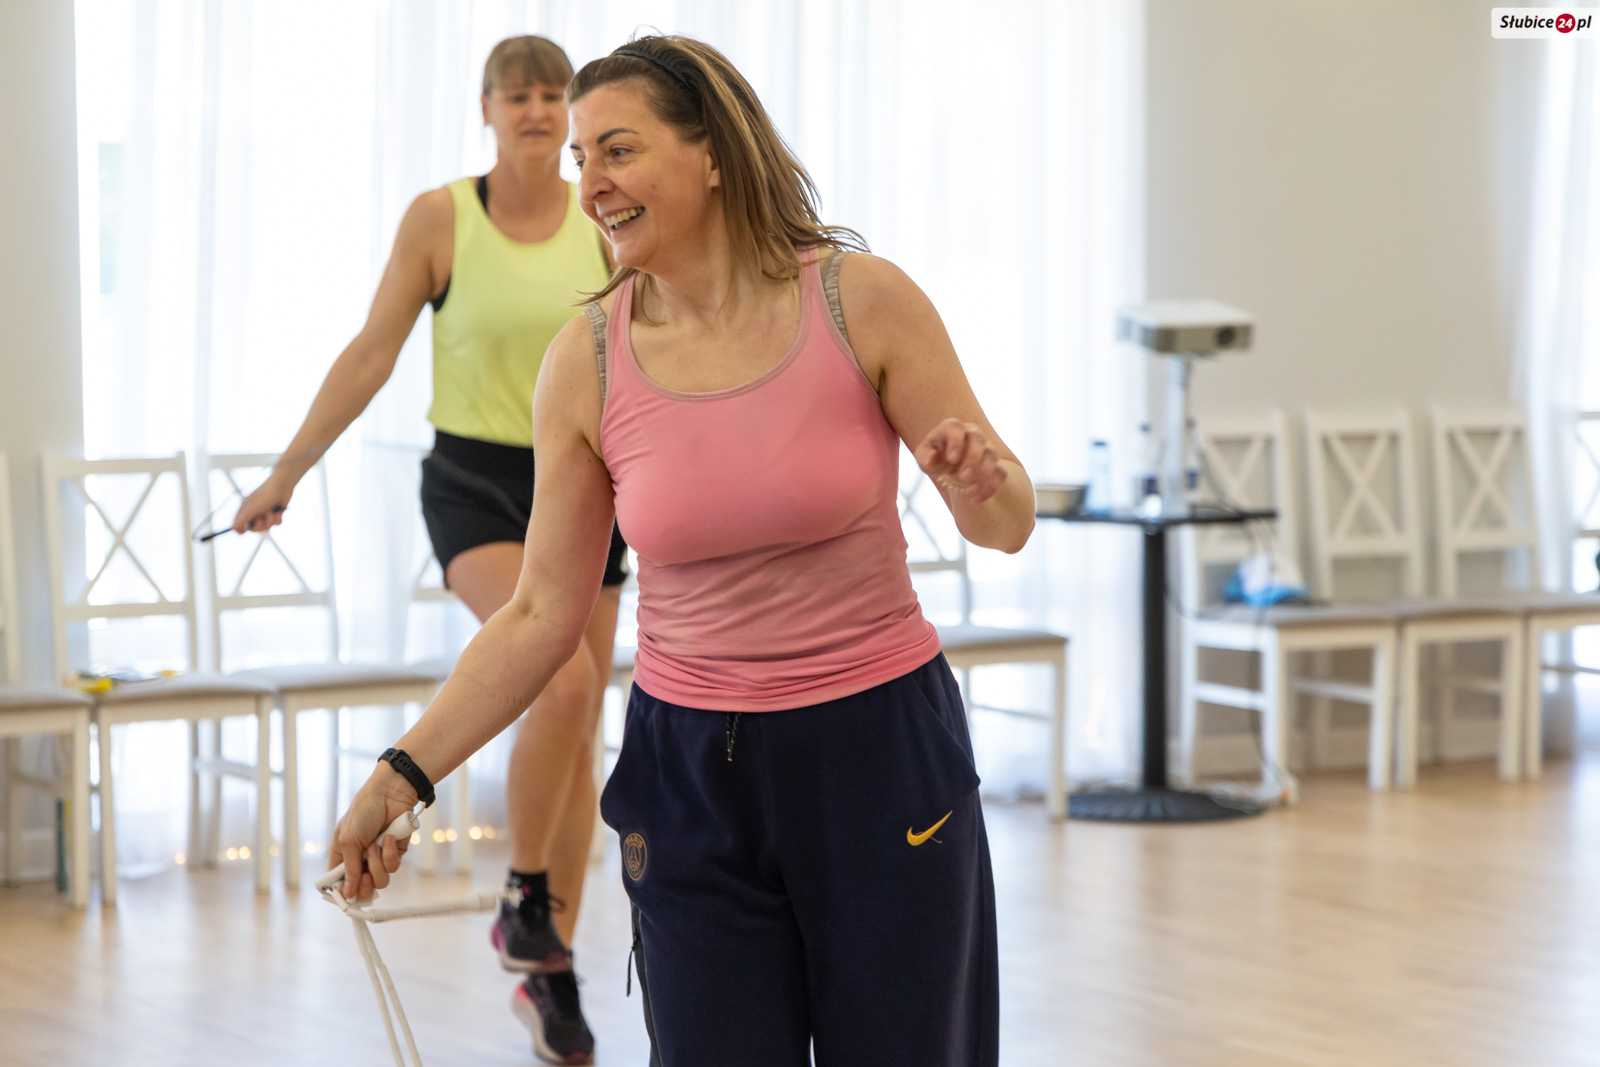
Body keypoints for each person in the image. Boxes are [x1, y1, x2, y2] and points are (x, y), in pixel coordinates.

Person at [329, 34, 1035, 1067]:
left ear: (712, 153)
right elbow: (540, 614)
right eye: (582, 159)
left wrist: (981, 484)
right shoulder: (587, 359)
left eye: (617, 150)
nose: (591, 185)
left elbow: (1006, 522)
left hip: (877, 750)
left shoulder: (861, 300)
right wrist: (402, 772)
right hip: (690, 771)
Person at [232, 35, 615, 1065]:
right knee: (565, 679)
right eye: (517, 95)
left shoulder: (601, 215)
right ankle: (525, 894)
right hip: (476, 485)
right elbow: (372, 351)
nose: (537, 111)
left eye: (553, 95)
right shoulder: (443, 218)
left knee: (579, 729)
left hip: (590, 479)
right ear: (486, 109)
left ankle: (549, 970)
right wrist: (287, 472)